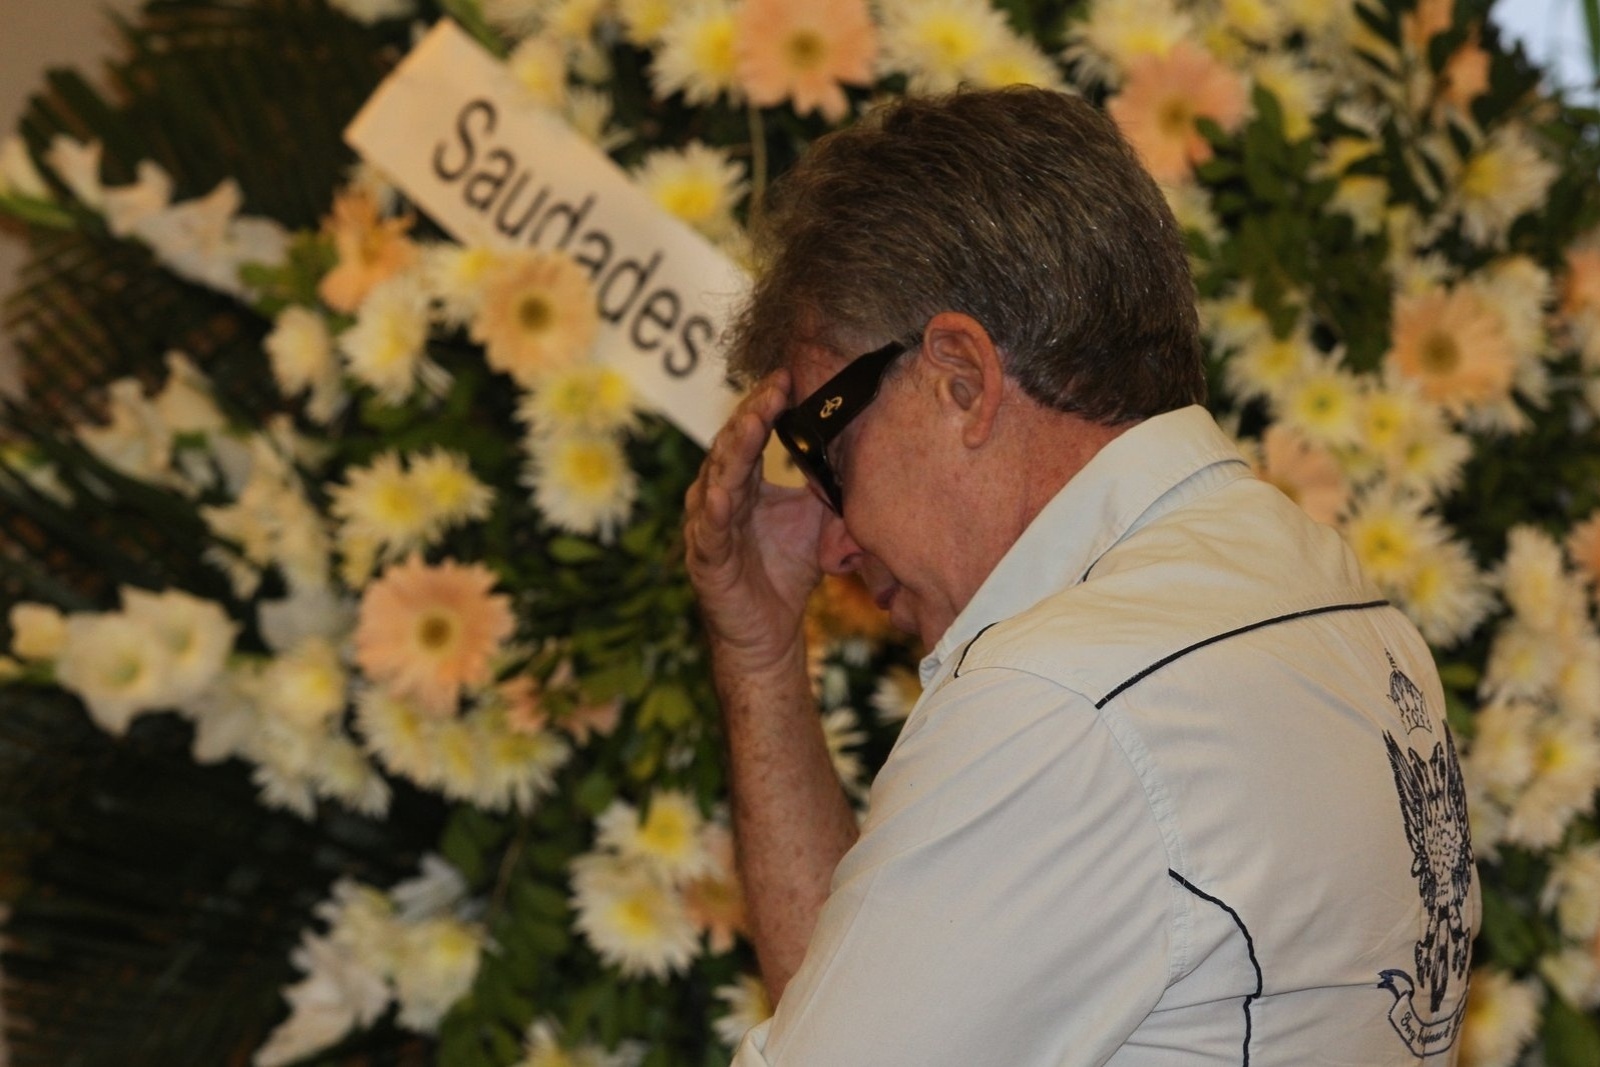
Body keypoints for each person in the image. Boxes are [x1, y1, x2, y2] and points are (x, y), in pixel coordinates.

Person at [683, 87, 1478, 1066]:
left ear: (960, 379)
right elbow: (878, 1000)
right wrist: (761, 659)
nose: (833, 543)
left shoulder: (1065, 700)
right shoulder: (1338, 600)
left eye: (820, 448)